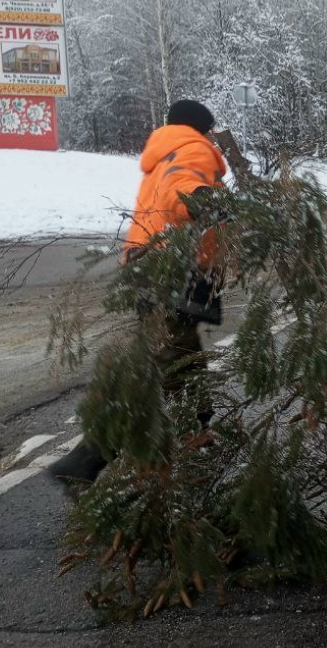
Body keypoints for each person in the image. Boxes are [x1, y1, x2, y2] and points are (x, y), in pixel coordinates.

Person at [50, 99, 228, 486]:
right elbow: (182, 193)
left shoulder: (164, 150)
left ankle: (196, 435)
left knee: (182, 357)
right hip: (176, 268)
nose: (214, 135)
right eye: (211, 128)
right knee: (164, 364)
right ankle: (90, 454)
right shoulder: (193, 147)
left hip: (152, 267)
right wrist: (214, 202)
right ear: (201, 127)